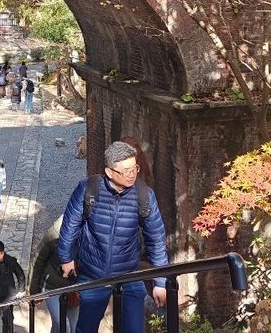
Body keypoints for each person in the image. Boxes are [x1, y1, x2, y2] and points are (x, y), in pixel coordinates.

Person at [57, 141, 169, 333]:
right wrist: (66, 259)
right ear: (109, 172)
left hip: (130, 273)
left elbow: (156, 239)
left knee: (134, 329)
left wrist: (160, 282)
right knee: (86, 328)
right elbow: (70, 226)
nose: (132, 174)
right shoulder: (88, 189)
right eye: (126, 170)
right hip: (93, 274)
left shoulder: (144, 195)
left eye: (134, 168)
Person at [30, 216, 79, 333]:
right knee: (63, 325)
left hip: (75, 288)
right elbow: (38, 260)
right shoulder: (54, 233)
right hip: (52, 286)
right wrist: (34, 290)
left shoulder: (88, 232)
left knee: (73, 327)